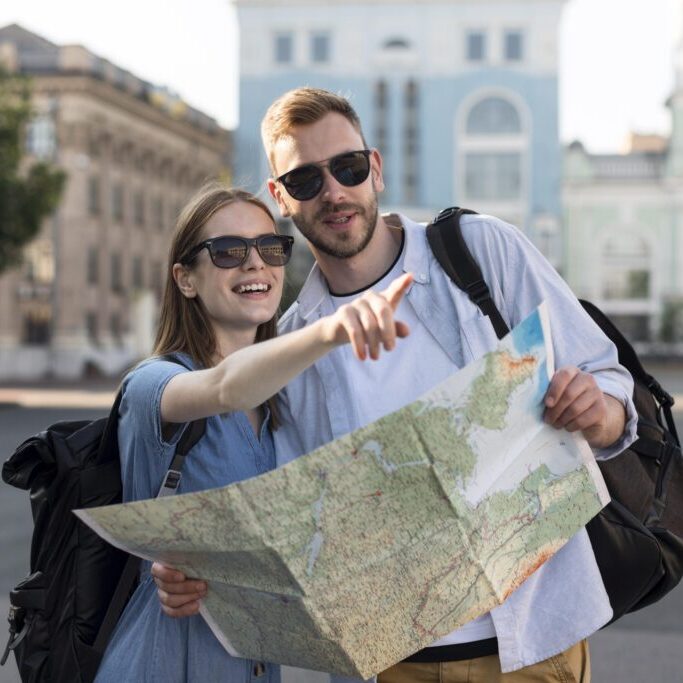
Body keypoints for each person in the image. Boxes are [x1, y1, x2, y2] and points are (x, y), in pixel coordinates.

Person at [153, 89, 637, 683]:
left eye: (348, 167)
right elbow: (288, 521)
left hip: (534, 642)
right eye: (304, 180)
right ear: (280, 198)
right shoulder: (291, 345)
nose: (333, 191)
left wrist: (601, 411)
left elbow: (608, 382)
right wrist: (196, 571)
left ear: (374, 167)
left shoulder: (482, 251)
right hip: (387, 662)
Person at [94, 183, 412, 683]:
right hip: (163, 665)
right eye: (227, 251)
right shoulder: (153, 384)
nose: (255, 264)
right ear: (186, 279)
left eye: (270, 247)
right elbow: (225, 386)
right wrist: (333, 328)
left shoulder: (286, 402)